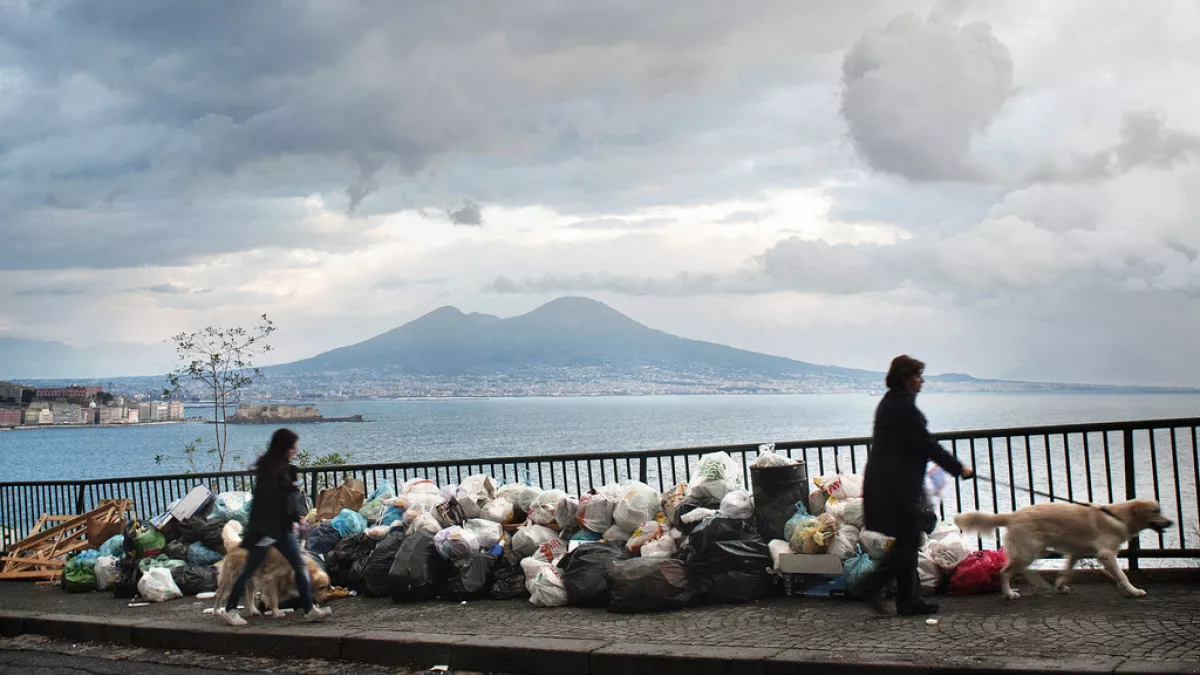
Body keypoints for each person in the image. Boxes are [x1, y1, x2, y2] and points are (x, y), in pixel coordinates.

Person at [853, 355, 973, 616]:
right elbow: (926, 443)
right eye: (918, 375)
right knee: (907, 540)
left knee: (907, 539)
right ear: (905, 378)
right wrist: (959, 468)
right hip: (894, 486)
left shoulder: (893, 403)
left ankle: (907, 599)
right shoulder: (902, 408)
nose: (922, 380)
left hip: (892, 483)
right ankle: (874, 586)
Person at [221, 428, 331, 626]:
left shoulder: (281, 467)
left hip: (281, 529)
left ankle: (309, 608)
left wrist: (296, 516)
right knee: (249, 569)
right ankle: (229, 609)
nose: (295, 450)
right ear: (285, 447)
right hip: (267, 529)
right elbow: (269, 501)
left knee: (298, 564)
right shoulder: (271, 470)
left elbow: (284, 499)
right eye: (293, 446)